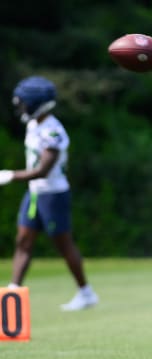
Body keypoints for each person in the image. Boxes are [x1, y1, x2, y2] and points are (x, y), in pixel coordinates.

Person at [0, 76, 98, 311]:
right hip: (34, 193)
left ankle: (86, 293)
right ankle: (13, 295)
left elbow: (43, 170)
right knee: (23, 240)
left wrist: (11, 175)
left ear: (35, 103)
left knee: (63, 245)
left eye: (24, 103)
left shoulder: (52, 131)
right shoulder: (33, 125)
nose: (21, 108)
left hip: (53, 195)